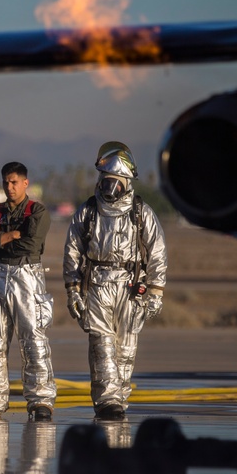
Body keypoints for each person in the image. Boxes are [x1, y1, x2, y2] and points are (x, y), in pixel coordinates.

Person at [63, 141, 168, 420]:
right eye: (105, 181)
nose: (109, 188)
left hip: (131, 286)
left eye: (115, 182)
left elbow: (157, 253)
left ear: (126, 182)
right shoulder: (88, 211)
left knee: (126, 348)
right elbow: (72, 252)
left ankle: (118, 400)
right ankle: (108, 400)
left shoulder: (141, 212)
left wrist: (155, 292)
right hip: (96, 283)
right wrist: (73, 291)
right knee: (101, 344)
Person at [0, 161, 57, 421]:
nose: (9, 187)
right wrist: (11, 234)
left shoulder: (36, 211)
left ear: (25, 183)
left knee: (33, 341)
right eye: (6, 182)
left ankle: (41, 400)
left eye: (14, 182)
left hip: (27, 277)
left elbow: (29, 244)